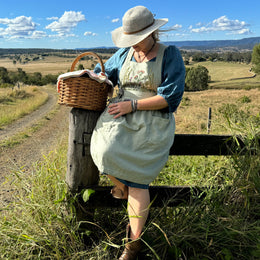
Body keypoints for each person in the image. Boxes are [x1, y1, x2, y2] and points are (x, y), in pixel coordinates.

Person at [90, 5, 185, 260]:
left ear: (152, 33)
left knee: (139, 182)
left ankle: (133, 246)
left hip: (152, 120)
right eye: (129, 40)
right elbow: (103, 75)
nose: (133, 45)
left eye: (137, 40)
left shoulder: (169, 54)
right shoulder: (123, 54)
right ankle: (121, 187)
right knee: (102, 149)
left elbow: (170, 96)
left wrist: (133, 105)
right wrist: (94, 77)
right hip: (121, 115)